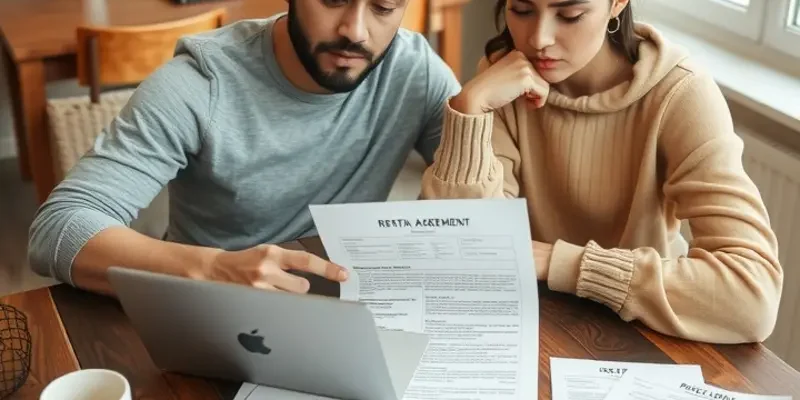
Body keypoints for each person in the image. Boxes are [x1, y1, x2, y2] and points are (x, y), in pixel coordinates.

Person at [28, 0, 461, 297]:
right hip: (211, 309)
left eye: (384, 7)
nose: (356, 30)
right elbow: (58, 229)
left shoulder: (413, 72)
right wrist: (212, 269)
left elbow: (485, 212)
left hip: (343, 302)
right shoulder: (201, 82)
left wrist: (474, 108)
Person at [420, 0, 783, 344]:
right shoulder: (503, 80)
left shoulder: (680, 92)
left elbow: (753, 297)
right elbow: (460, 253)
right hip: (529, 322)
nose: (539, 39)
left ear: (617, 3)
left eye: (571, 14)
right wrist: (470, 108)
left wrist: (556, 262)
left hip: (643, 331)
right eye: (522, 9)